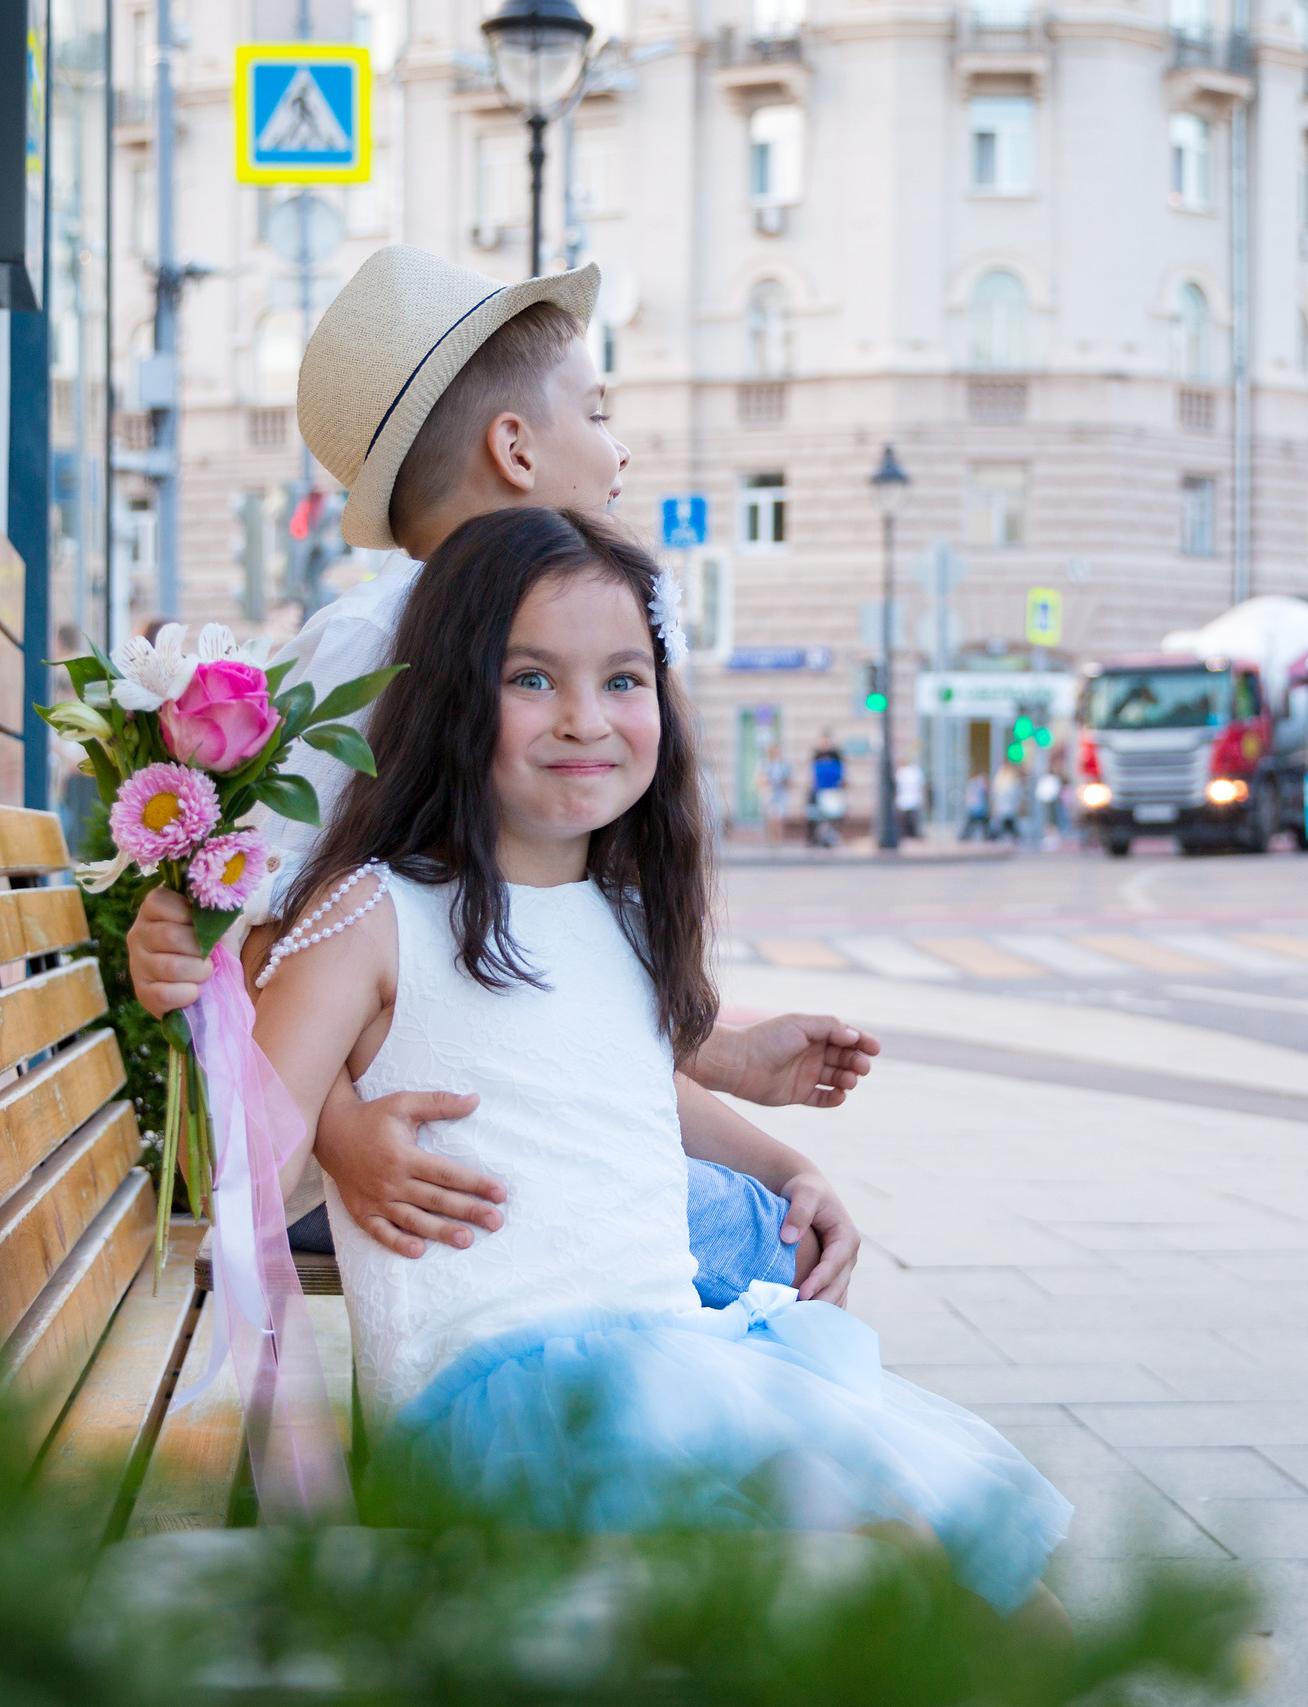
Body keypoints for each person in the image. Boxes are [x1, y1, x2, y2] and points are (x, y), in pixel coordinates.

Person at [248, 508, 1069, 1617]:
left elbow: (633, 1096)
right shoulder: (373, 913)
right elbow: (246, 1131)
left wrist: (786, 1170)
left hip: (668, 1358)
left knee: (954, 1558)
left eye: (623, 681)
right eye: (530, 679)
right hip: (506, 1412)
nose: (585, 719)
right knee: (898, 1561)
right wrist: (337, 1129)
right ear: (449, 694)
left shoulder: (623, 918)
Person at [122, 246, 872, 1306]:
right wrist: (339, 1135)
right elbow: (274, 939)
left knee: (771, 1235)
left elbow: (534, 1016)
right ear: (514, 447)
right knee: (763, 1254)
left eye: (621, 684)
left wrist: (735, 1080)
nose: (621, 450)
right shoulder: (379, 647)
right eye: (599, 411)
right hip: (410, 1171)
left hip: (473, 1142)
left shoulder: (529, 648)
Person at [807, 731, 846, 848]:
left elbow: (842, 773)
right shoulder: (816, 755)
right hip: (819, 790)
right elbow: (811, 774)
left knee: (833, 816)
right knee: (818, 817)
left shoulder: (836, 755)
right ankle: (819, 839)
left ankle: (830, 838)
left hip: (833, 791)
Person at [757, 743, 793, 846]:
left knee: (779, 818)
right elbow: (760, 780)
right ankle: (772, 839)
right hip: (769, 795)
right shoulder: (765, 764)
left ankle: (779, 839)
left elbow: (789, 781)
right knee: (771, 818)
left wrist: (784, 781)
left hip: (780, 795)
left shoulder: (784, 766)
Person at [893, 754, 925, 841]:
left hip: (910, 800)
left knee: (912, 823)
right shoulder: (902, 771)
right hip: (905, 800)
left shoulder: (912, 771)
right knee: (905, 824)